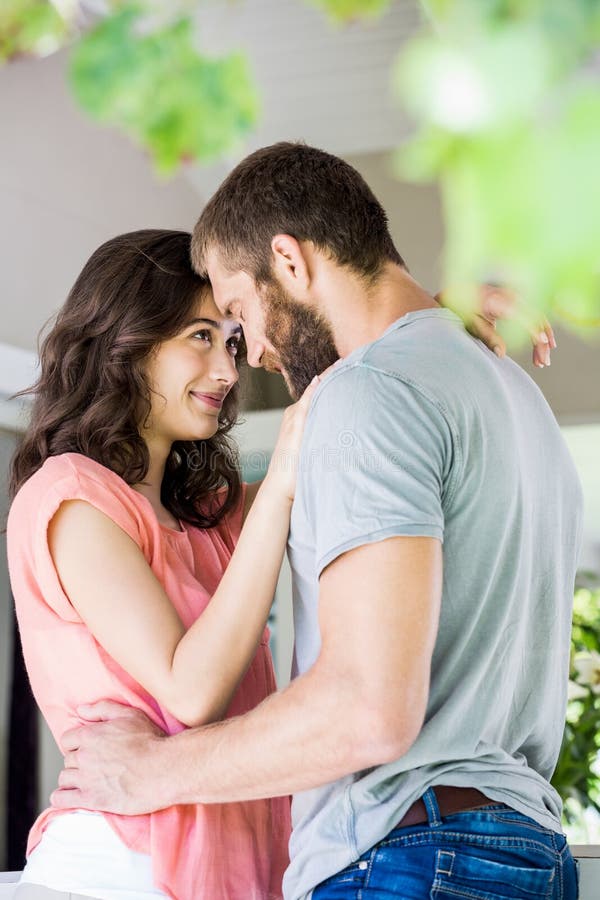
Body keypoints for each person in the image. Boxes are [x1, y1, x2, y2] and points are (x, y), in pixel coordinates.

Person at [52, 143, 581, 900]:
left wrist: (149, 772)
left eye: (237, 315)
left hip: (410, 858)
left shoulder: (370, 394)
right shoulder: (505, 386)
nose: (252, 357)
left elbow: (367, 708)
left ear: (289, 263)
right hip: (525, 849)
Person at [7, 228, 323, 900]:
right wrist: (284, 483)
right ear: (130, 340)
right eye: (201, 337)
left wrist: (434, 323)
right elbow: (189, 690)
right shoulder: (72, 496)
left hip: (243, 872)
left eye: (230, 341)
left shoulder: (208, 516)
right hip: (119, 872)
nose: (229, 372)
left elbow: (338, 439)